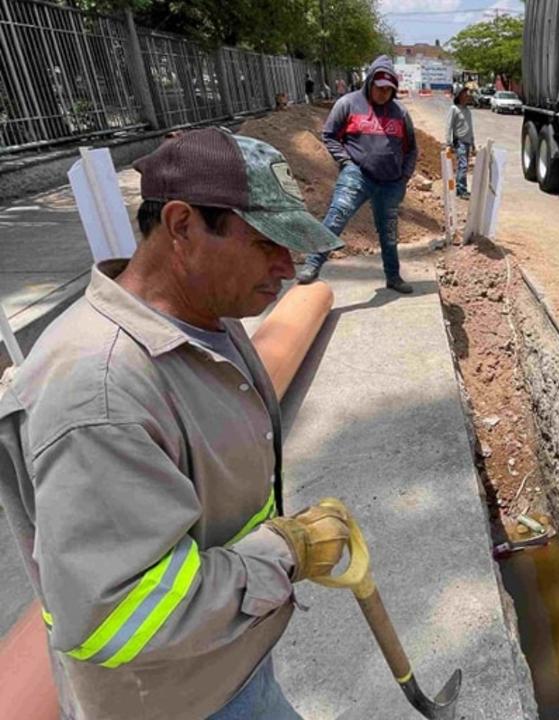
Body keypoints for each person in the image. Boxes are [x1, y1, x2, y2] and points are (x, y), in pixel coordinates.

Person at [0, 128, 354, 719]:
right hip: (180, 702)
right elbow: (116, 614)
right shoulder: (101, 394)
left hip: (225, 663)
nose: (288, 268)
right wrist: (283, 552)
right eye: (268, 241)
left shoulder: (206, 313)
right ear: (183, 226)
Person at [297, 55, 417, 292]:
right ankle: (312, 264)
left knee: (388, 232)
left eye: (388, 90)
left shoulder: (400, 113)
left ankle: (393, 277)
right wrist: (346, 162)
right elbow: (329, 135)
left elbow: (411, 148)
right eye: (379, 88)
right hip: (358, 175)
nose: (383, 93)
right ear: (370, 81)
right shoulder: (348, 103)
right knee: (337, 215)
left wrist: (404, 177)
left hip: (391, 182)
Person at [447, 83, 474, 199]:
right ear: (459, 95)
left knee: (464, 166)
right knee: (462, 165)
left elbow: (470, 128)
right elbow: (449, 126)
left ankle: (461, 188)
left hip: (467, 142)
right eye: (465, 93)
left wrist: (473, 143)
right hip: (460, 142)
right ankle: (461, 189)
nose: (467, 95)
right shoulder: (454, 109)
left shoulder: (468, 111)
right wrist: (448, 142)